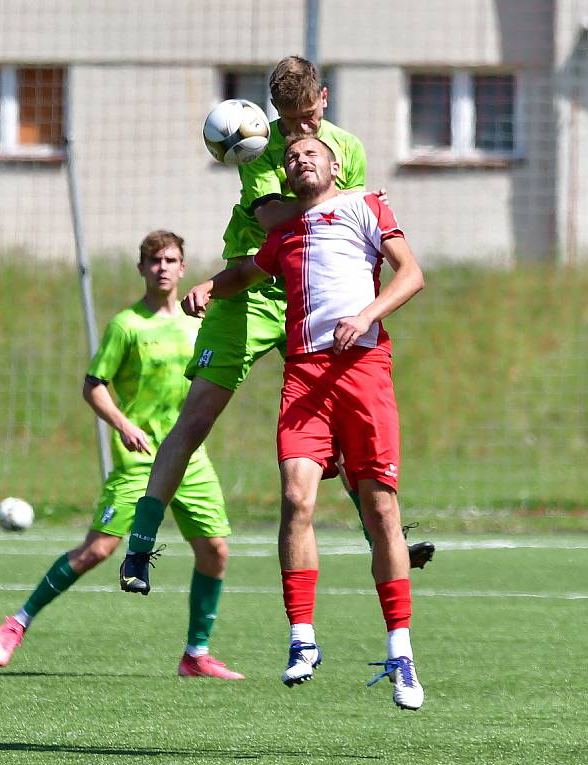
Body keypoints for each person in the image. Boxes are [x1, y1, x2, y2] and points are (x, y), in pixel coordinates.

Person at [119, 55, 434, 596]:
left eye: (308, 118)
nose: (299, 132)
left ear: (324, 100)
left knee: (340, 434)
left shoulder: (346, 147)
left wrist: (345, 210)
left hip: (312, 301)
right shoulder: (258, 142)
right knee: (195, 420)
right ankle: (140, 547)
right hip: (249, 285)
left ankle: (385, 538)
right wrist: (346, 204)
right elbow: (276, 219)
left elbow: (346, 228)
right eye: (289, 119)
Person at [182, 134, 426, 710]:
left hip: (363, 369)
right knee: (296, 499)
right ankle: (303, 638)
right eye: (291, 157)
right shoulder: (284, 231)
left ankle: (401, 652)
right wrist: (207, 288)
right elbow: (244, 274)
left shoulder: (366, 206)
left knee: (381, 508)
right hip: (305, 378)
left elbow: (411, 274)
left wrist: (365, 314)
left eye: (309, 153)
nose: (299, 159)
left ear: (334, 164)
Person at [0, 230, 244, 680]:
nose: (162, 268)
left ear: (184, 268)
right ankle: (17, 622)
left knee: (215, 552)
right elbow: (94, 385)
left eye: (170, 260)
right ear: (141, 268)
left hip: (190, 458)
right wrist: (124, 425)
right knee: (98, 550)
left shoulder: (201, 322)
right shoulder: (127, 324)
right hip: (140, 461)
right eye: (153, 261)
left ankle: (195, 655)